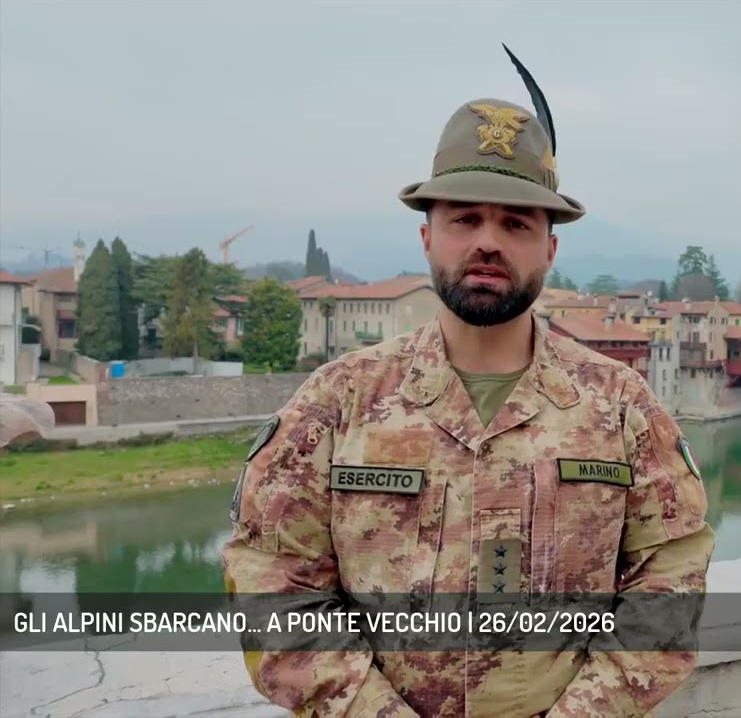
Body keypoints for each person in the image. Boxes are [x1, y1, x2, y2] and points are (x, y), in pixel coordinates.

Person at [221, 47, 715, 717]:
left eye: (516, 223)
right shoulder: (338, 404)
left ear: (550, 249)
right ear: (428, 238)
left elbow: (671, 581)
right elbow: (270, 580)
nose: (489, 241)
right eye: (465, 219)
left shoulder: (620, 408)